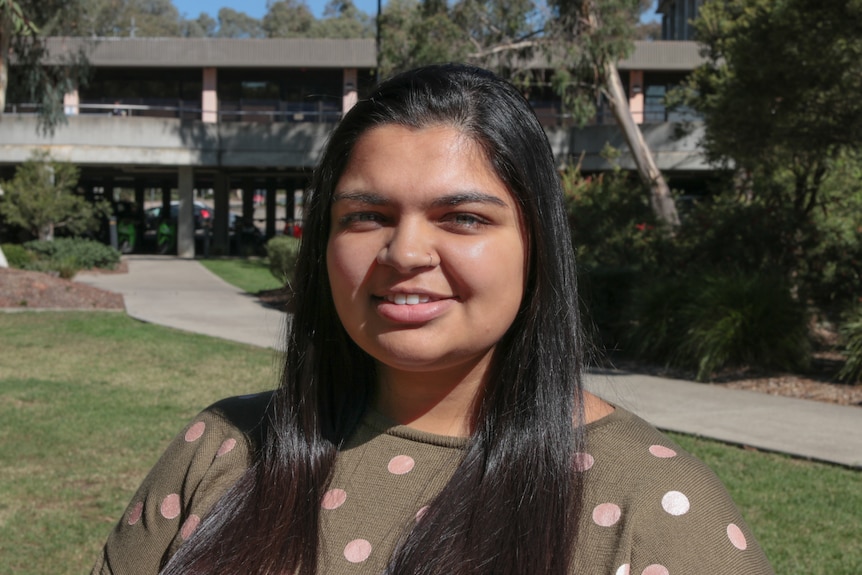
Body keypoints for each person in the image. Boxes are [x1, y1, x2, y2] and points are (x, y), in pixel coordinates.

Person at [92, 64, 774, 575]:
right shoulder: (221, 448)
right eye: (366, 216)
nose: (406, 253)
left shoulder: (653, 506)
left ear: (537, 245)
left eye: (464, 218)